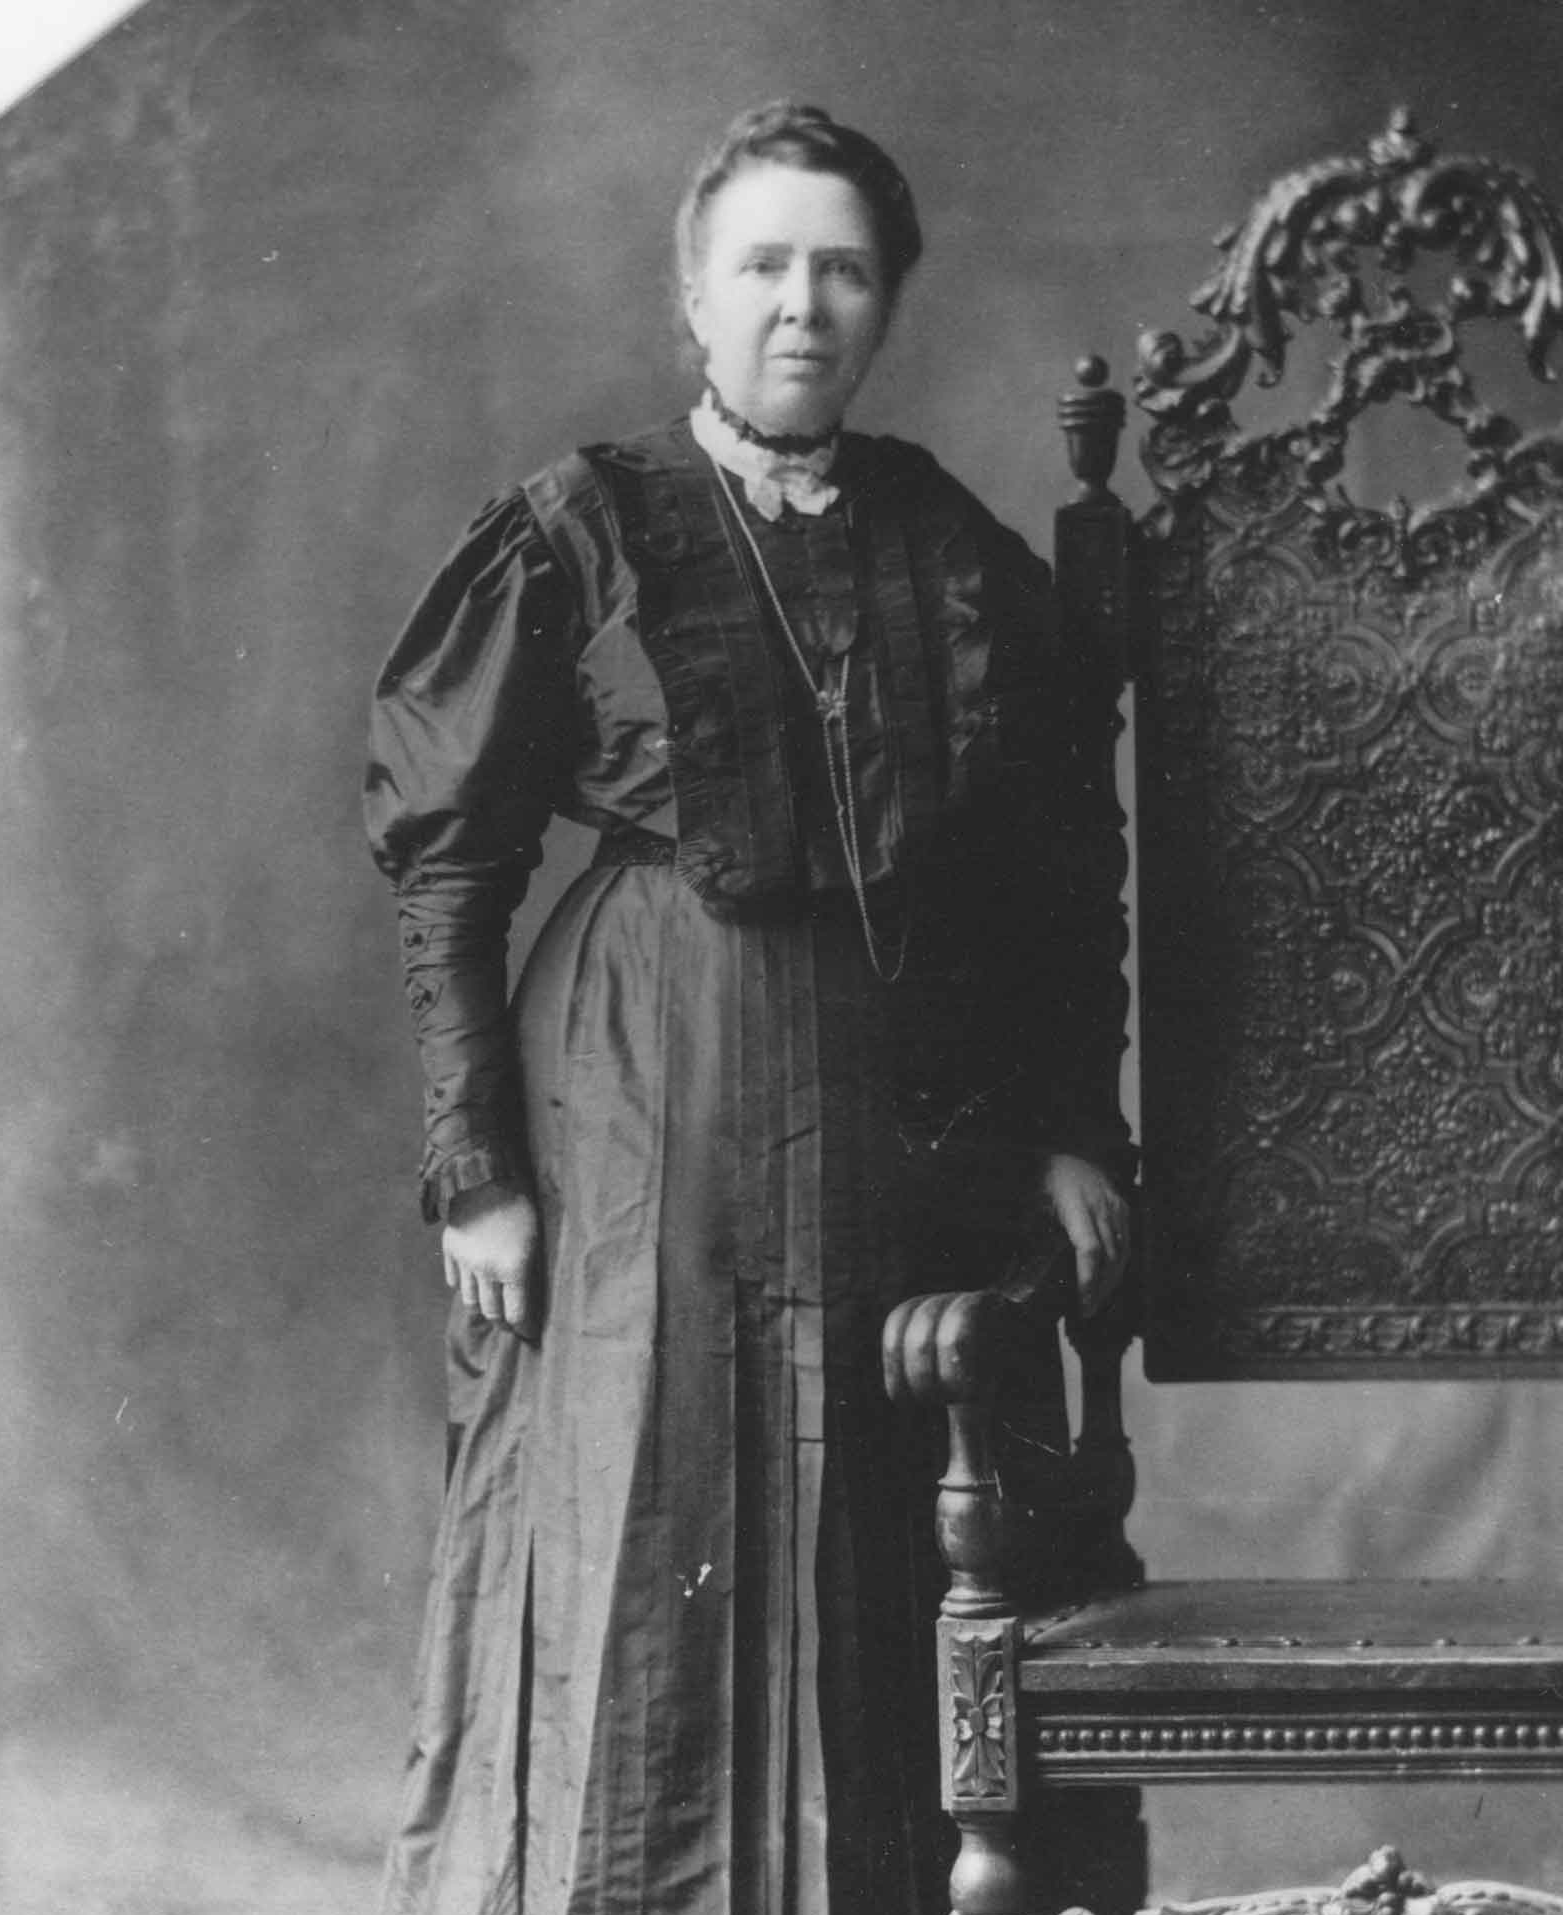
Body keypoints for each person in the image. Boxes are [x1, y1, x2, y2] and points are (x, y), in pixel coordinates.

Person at [364, 100, 1134, 1915]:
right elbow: (451, 865)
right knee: (643, 1516)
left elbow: (1048, 874)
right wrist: (479, 1167)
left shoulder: (947, 541)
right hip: (646, 1100)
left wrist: (1062, 1134)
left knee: (884, 1524)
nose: (804, 306)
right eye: (765, 266)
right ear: (694, 297)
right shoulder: (583, 528)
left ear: (885, 305)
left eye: (843, 271)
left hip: (896, 1122)